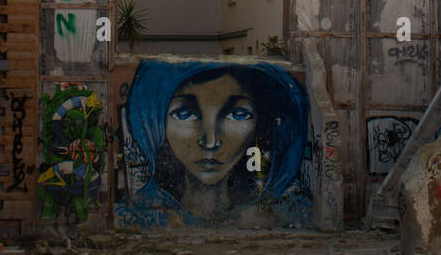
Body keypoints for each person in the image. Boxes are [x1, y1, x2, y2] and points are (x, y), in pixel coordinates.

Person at [121, 60, 308, 223]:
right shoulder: (136, 213)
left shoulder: (292, 208)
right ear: (153, 124)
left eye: (238, 114)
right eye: (184, 114)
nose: (210, 142)